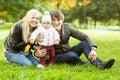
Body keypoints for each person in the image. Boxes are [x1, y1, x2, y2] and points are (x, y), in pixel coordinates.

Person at [50, 10, 115, 70]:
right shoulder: (47, 30)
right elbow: (40, 41)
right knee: (72, 55)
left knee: (84, 43)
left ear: (62, 20)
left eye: (58, 20)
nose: (56, 22)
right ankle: (85, 63)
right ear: (50, 21)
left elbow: (85, 37)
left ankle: (98, 63)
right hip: (57, 56)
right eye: (53, 20)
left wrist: (93, 49)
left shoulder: (67, 28)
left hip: (68, 51)